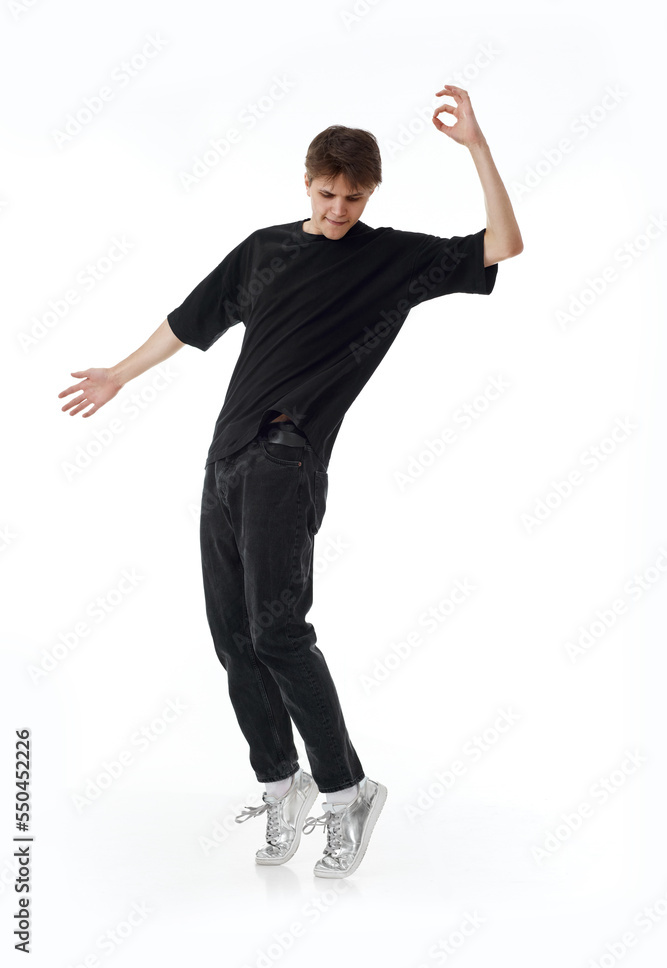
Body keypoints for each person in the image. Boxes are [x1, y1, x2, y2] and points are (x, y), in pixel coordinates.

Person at [58, 85, 523, 879]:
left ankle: (347, 792)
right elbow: (188, 320)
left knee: (278, 632)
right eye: (326, 192)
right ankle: (282, 784)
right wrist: (119, 375)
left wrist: (477, 148)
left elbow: (502, 247)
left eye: (352, 196)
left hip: (287, 457)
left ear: (370, 192)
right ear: (305, 183)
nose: (338, 207)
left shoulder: (391, 259)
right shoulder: (263, 249)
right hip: (225, 459)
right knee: (234, 639)